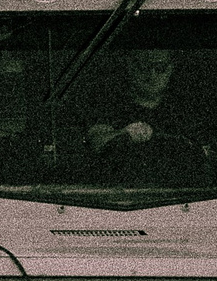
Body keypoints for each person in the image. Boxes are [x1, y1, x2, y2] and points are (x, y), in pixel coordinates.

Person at [87, 50, 208, 183]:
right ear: (130, 66)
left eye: (160, 68)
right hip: (124, 195)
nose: (152, 74)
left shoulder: (184, 110)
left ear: (170, 69)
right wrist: (124, 133)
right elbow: (96, 143)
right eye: (144, 67)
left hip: (180, 197)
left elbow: (205, 154)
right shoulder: (111, 105)